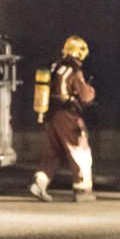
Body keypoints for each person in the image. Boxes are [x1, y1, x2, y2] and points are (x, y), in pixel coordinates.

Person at [29, 35, 97, 202]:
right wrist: (91, 90)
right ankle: (82, 190)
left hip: (50, 115)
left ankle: (40, 182)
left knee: (54, 153)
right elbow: (85, 96)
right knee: (80, 151)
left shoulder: (55, 67)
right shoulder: (74, 70)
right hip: (68, 116)